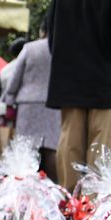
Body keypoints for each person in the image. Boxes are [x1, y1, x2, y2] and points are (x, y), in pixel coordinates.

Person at [47, 0, 111, 190]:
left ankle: (71, 204)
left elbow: (52, 38)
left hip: (69, 77)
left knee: (70, 143)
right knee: (102, 145)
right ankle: (95, 207)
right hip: (105, 79)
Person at [3, 15, 60, 181]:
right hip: (54, 104)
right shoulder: (62, 48)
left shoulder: (30, 48)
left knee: (26, 148)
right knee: (51, 148)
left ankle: (25, 190)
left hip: (28, 104)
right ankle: (55, 189)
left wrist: (9, 99)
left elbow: (15, 77)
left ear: (42, 30)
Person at [0, 37, 27, 120]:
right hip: (22, 108)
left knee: (5, 133)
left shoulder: (5, 69)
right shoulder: (30, 67)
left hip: (4, 108)